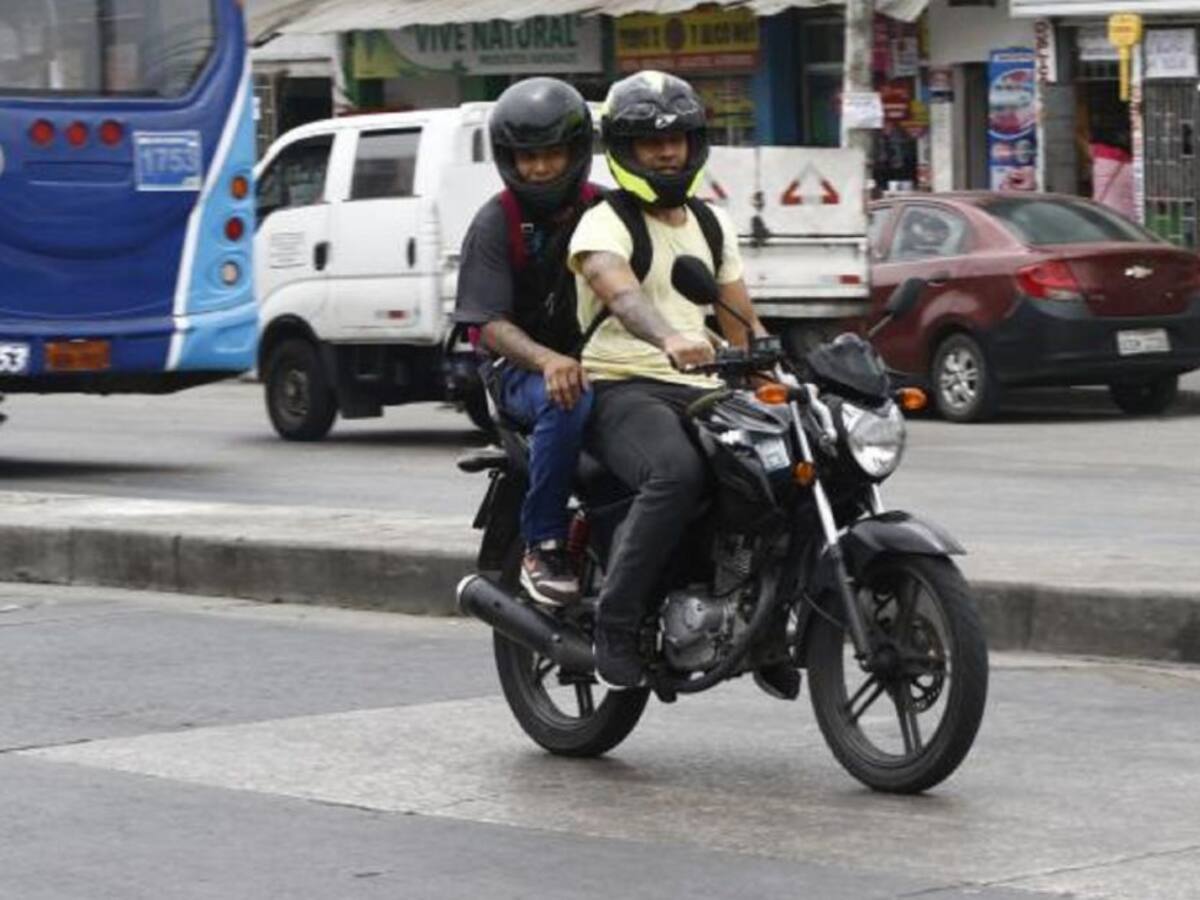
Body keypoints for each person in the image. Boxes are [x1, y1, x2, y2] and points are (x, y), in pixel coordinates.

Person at [568, 70, 795, 695]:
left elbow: (740, 321)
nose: (668, 153)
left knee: (787, 468)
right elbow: (620, 293)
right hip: (620, 385)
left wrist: (782, 377)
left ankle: (763, 622)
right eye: (651, 142)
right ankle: (615, 627)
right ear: (624, 150)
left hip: (703, 388)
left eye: (677, 140)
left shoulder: (710, 223)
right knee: (675, 472)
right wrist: (668, 337)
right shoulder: (603, 224)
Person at [454, 77, 599, 607]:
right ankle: (545, 543)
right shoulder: (497, 222)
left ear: (576, 152)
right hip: (516, 368)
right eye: (527, 157)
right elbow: (488, 322)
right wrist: (547, 360)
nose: (539, 168)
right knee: (568, 396)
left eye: (551, 154)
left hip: (597, 358)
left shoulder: (605, 210)